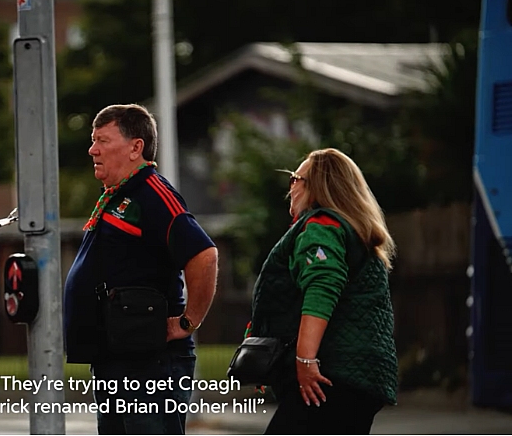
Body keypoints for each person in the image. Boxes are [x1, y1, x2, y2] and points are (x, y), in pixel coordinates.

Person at [63, 104, 219, 434]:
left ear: (136, 147)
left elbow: (204, 255)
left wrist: (188, 321)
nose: (93, 150)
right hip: (117, 355)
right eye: (93, 140)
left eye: (102, 140)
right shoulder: (118, 196)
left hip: (150, 363)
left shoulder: (153, 193)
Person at [247, 148, 398, 434]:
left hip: (329, 377)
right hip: (361, 377)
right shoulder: (356, 233)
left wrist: (305, 360)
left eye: (296, 178)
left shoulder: (323, 226)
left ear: (317, 187)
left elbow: (322, 288)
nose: (290, 187)